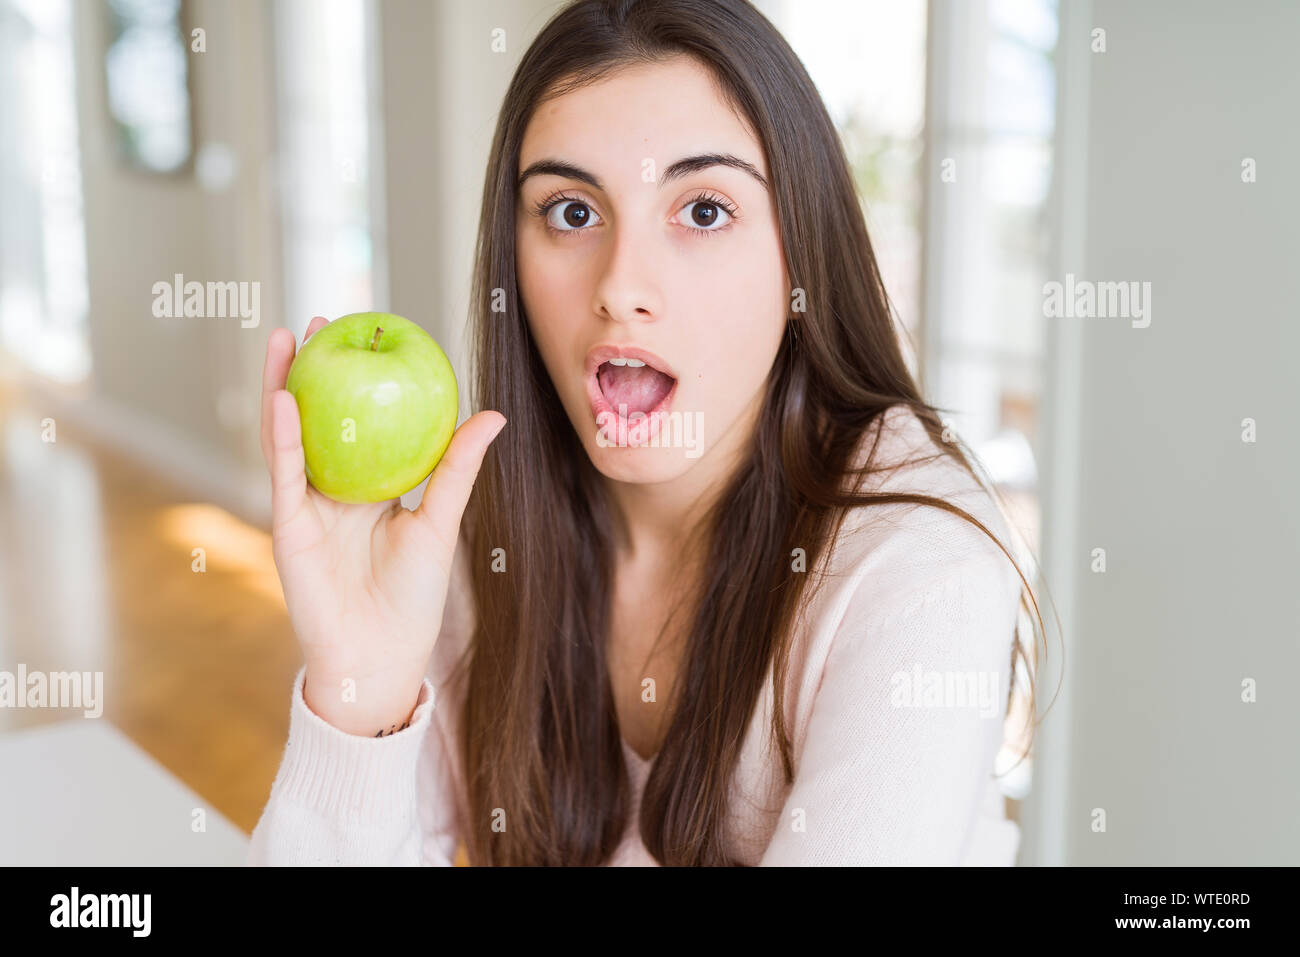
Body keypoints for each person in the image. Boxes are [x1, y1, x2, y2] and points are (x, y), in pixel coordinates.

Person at [249, 0, 1045, 866]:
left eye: (703, 210)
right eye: (572, 212)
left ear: (800, 254)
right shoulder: (477, 527)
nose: (621, 285)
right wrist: (358, 690)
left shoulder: (921, 565)